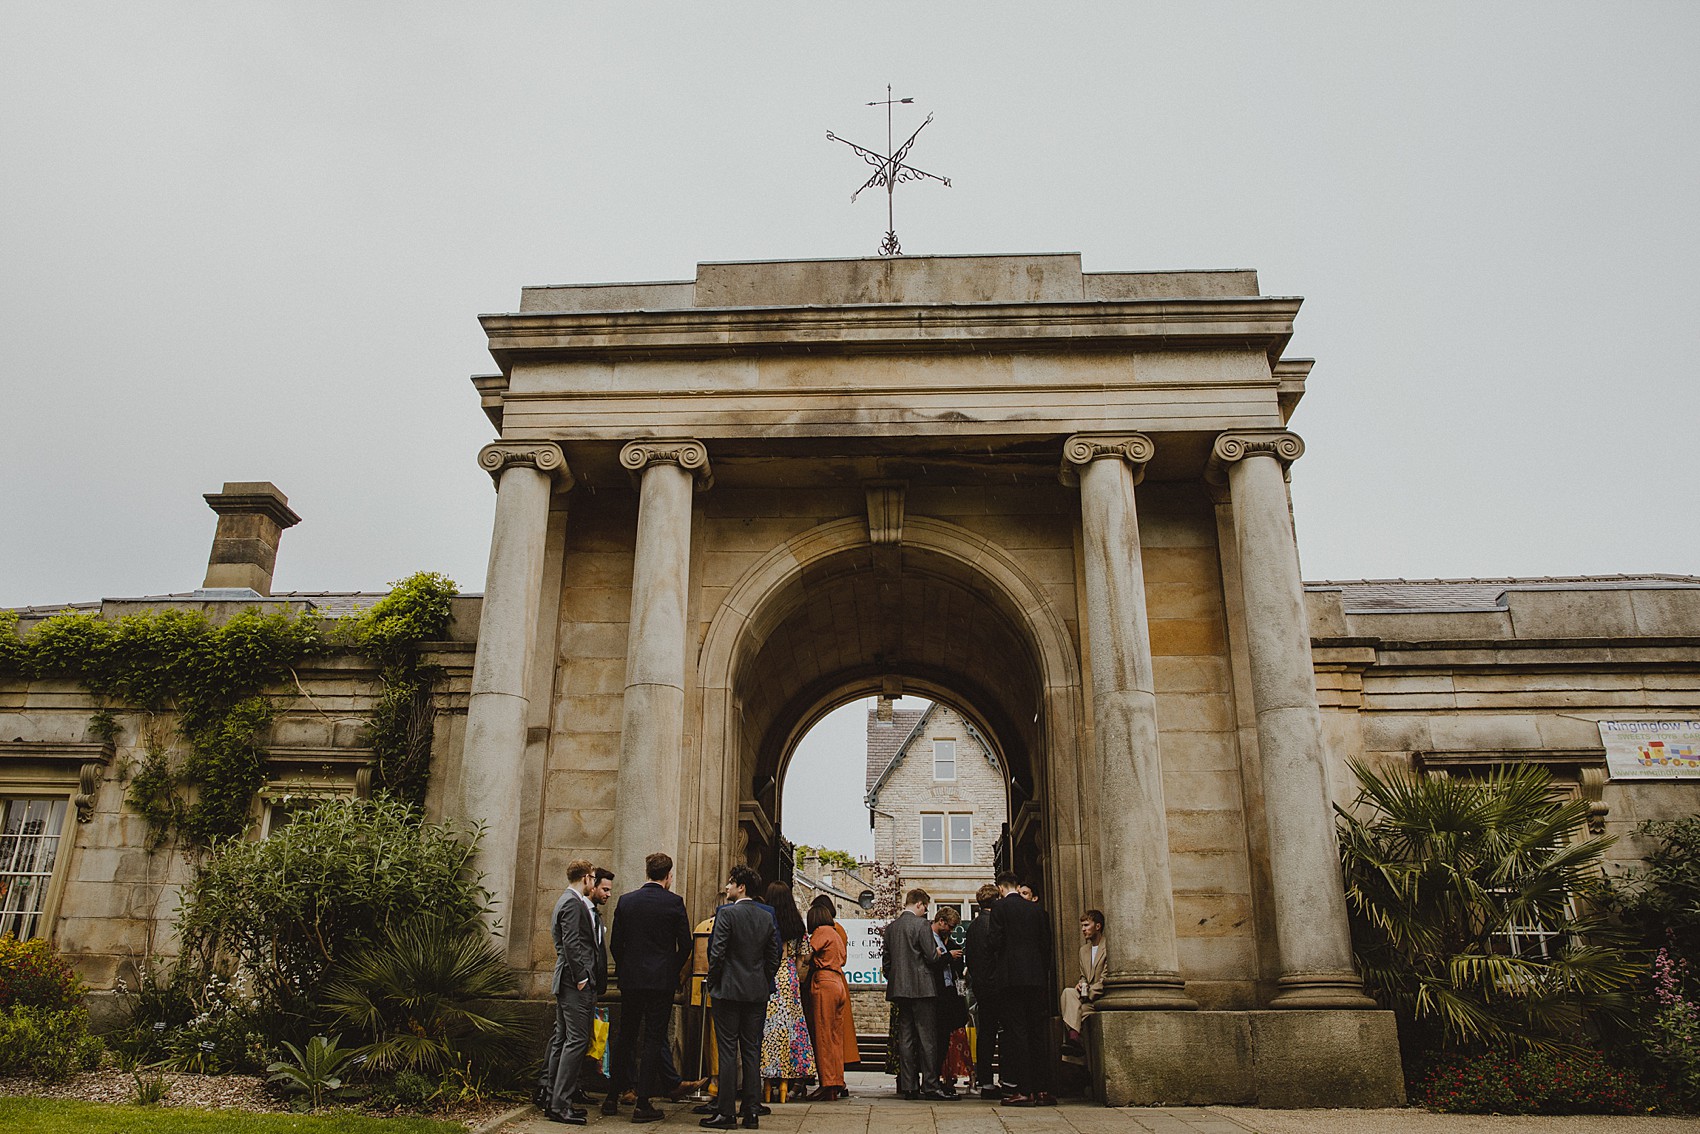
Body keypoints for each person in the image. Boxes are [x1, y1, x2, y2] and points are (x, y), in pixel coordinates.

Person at [605, 852, 693, 1124]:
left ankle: (611, 1098)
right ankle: (643, 1102)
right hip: (660, 983)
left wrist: (625, 966)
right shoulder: (674, 903)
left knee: (626, 1036)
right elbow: (686, 945)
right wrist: (672, 969)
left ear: (647, 872)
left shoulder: (627, 901)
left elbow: (615, 944)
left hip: (632, 981)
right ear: (669, 876)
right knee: (654, 1039)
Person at [702, 865, 781, 1130]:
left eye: (731, 883)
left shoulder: (726, 914)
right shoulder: (766, 917)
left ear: (741, 887)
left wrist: (713, 981)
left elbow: (717, 952)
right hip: (756, 993)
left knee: (727, 1052)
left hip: (727, 991)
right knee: (751, 1051)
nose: (727, 887)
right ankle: (751, 1111)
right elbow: (774, 956)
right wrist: (762, 979)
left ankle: (726, 1112)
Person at [985, 872, 1054, 1107]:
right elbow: (1046, 946)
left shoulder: (1000, 908)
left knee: (1018, 1034)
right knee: (1037, 1032)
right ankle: (1043, 1089)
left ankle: (1024, 1091)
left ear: (1001, 888)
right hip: (1035, 978)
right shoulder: (1037, 911)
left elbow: (995, 941)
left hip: (1011, 979)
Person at [542, 859, 600, 1125]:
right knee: (575, 1041)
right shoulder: (572, 903)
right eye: (594, 878)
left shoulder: (568, 901)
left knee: (564, 1039)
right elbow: (571, 942)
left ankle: (554, 1100)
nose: (595, 883)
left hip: (568, 980)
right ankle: (559, 1104)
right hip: (573, 982)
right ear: (586, 878)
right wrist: (581, 978)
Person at [882, 888, 951, 1101]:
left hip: (900, 990)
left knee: (906, 1038)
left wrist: (896, 979)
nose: (926, 913)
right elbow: (931, 957)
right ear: (919, 904)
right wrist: (940, 953)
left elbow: (886, 963)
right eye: (925, 908)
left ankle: (909, 1085)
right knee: (927, 1038)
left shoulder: (891, 928)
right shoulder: (921, 925)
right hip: (923, 989)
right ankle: (930, 1085)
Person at [758, 882, 816, 1100]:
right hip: (789, 977)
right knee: (791, 1028)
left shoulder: (766, 921)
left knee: (768, 1028)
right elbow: (804, 958)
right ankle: (787, 1079)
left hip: (769, 975)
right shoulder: (796, 925)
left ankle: (767, 1079)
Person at [802, 896, 853, 1101]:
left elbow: (806, 955)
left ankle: (827, 1083)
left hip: (824, 982)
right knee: (835, 1036)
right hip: (838, 981)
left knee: (823, 1034)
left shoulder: (821, 932)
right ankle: (837, 1080)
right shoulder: (836, 933)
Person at [963, 884, 1006, 1098]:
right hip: (998, 985)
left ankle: (985, 1079)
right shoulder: (996, 924)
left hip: (980, 986)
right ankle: (1007, 1077)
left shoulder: (972, 927)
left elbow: (969, 959)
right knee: (1005, 1032)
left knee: (985, 1033)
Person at [931, 906, 970, 1095]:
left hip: (949, 993)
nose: (952, 931)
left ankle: (945, 1078)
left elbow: (957, 972)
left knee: (945, 1037)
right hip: (935, 993)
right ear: (941, 921)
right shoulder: (930, 939)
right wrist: (948, 956)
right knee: (937, 1037)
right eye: (951, 926)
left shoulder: (951, 943)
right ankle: (934, 1079)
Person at [1060, 909, 1107, 1042]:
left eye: (1086, 925)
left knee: (1075, 1012)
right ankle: (1074, 1039)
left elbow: (1106, 978)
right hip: (1085, 995)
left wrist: (1090, 993)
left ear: (1097, 926)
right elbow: (1083, 975)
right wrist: (1081, 984)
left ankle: (1072, 1041)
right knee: (1067, 993)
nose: (1083, 929)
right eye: (1082, 926)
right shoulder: (1083, 950)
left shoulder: (1108, 947)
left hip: (1100, 997)